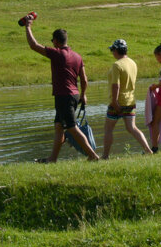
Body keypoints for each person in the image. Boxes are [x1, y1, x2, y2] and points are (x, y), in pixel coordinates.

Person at [24, 18, 99, 162]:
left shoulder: (57, 53)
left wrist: (28, 26)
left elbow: (33, 45)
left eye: (53, 40)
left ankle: (93, 156)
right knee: (59, 126)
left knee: (72, 127)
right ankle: (52, 159)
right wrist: (83, 95)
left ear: (57, 41)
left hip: (63, 96)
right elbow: (84, 79)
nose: (52, 43)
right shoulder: (77, 56)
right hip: (74, 95)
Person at [102, 38, 153, 158]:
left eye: (112, 50)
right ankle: (148, 150)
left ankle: (105, 156)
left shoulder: (116, 65)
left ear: (116, 50)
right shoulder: (132, 63)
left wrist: (114, 102)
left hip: (118, 102)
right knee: (132, 128)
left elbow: (116, 85)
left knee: (108, 129)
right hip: (130, 101)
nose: (112, 53)